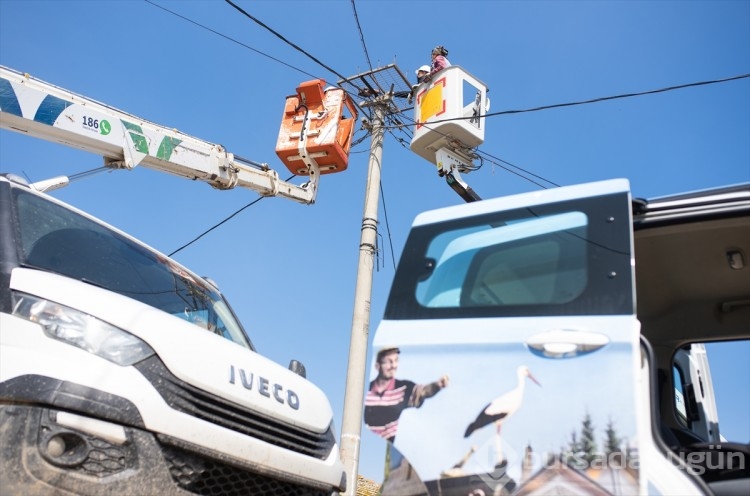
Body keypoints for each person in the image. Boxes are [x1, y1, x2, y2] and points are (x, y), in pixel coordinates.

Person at [364, 346, 449, 443]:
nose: (393, 365)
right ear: (377, 366)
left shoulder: (403, 389)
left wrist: (437, 385)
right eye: (388, 361)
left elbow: (423, 392)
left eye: (396, 360)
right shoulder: (366, 390)